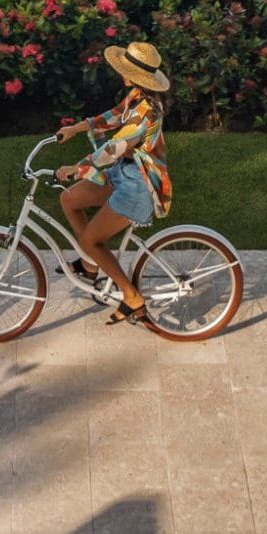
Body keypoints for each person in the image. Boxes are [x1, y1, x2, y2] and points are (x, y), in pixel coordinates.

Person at [55, 39, 172, 326]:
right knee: (69, 199)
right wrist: (74, 128)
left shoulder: (147, 112)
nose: (121, 73)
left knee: (90, 239)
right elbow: (112, 117)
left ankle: (131, 297)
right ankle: (91, 264)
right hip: (123, 172)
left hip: (137, 185)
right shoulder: (136, 97)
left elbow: (112, 149)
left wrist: (76, 168)